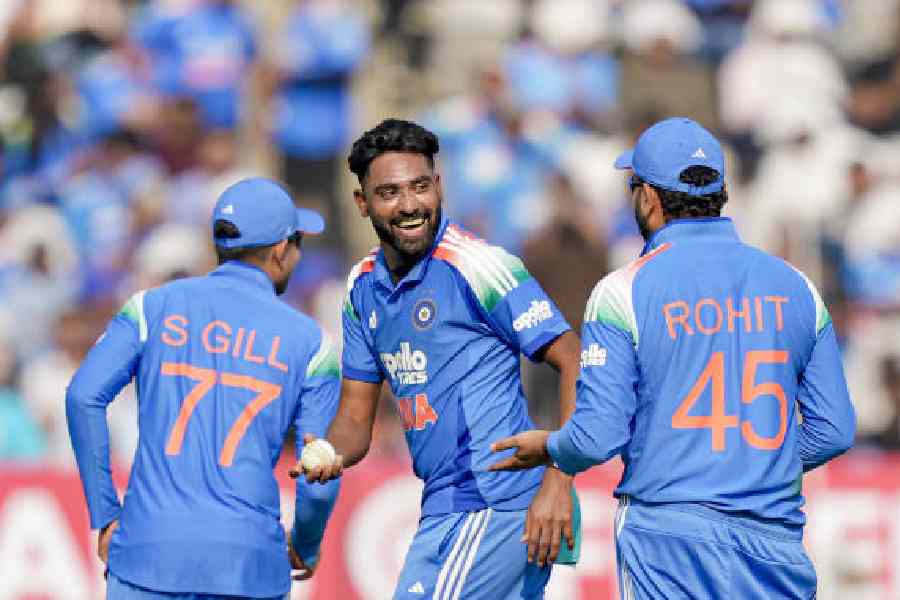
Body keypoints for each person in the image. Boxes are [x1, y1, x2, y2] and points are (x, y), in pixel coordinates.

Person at [489, 117, 857, 599]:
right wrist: (755, 468)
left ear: (648, 197)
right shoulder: (797, 286)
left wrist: (552, 448)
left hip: (667, 535)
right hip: (774, 539)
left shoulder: (623, 290)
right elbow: (835, 431)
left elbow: (597, 437)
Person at [293, 118, 582, 599]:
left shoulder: (478, 266)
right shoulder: (361, 288)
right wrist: (329, 453)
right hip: (445, 508)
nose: (409, 206)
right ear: (362, 203)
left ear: (439, 186)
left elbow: (573, 358)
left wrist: (559, 481)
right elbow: (354, 419)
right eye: (389, 192)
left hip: (494, 504)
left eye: (420, 187)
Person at [66, 177, 341, 599]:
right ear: (280, 249)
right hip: (249, 569)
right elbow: (318, 471)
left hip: (147, 557)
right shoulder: (312, 343)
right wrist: (305, 544)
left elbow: (83, 397)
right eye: (299, 241)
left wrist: (105, 513)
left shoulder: (150, 308)